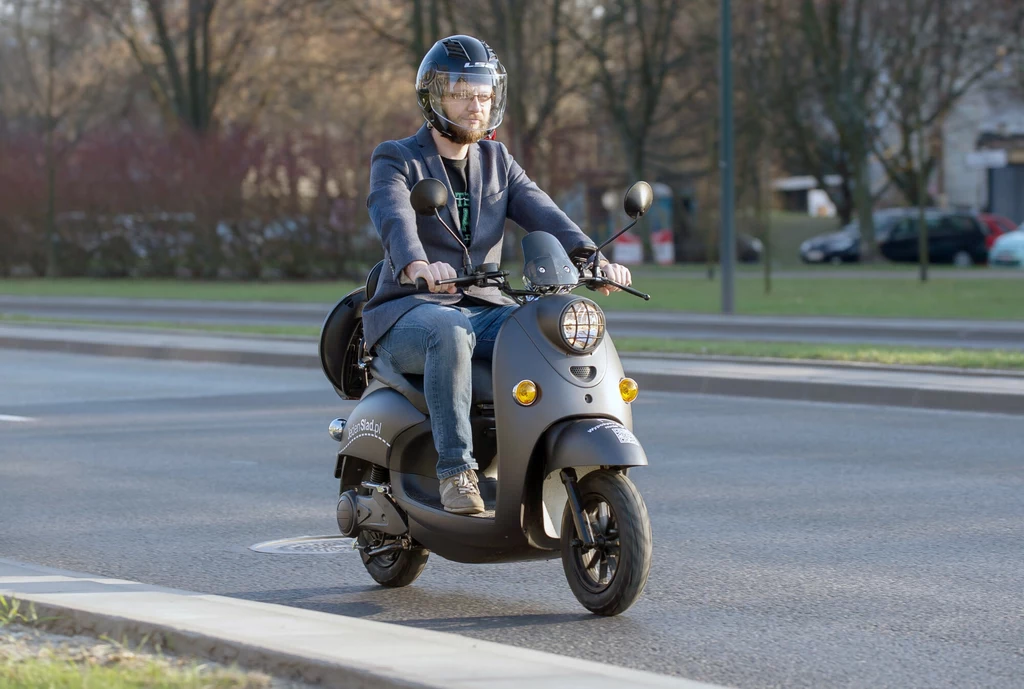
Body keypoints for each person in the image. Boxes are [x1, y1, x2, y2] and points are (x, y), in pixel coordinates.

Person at [363, 34, 632, 515]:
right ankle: (456, 472)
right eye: (463, 92)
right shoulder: (397, 157)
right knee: (448, 331)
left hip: (484, 307)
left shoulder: (497, 161)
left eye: (484, 94)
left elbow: (545, 213)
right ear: (434, 97)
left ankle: (545, 457)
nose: (475, 105)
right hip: (411, 310)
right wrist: (418, 264)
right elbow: (393, 214)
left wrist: (591, 258)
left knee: (551, 322)